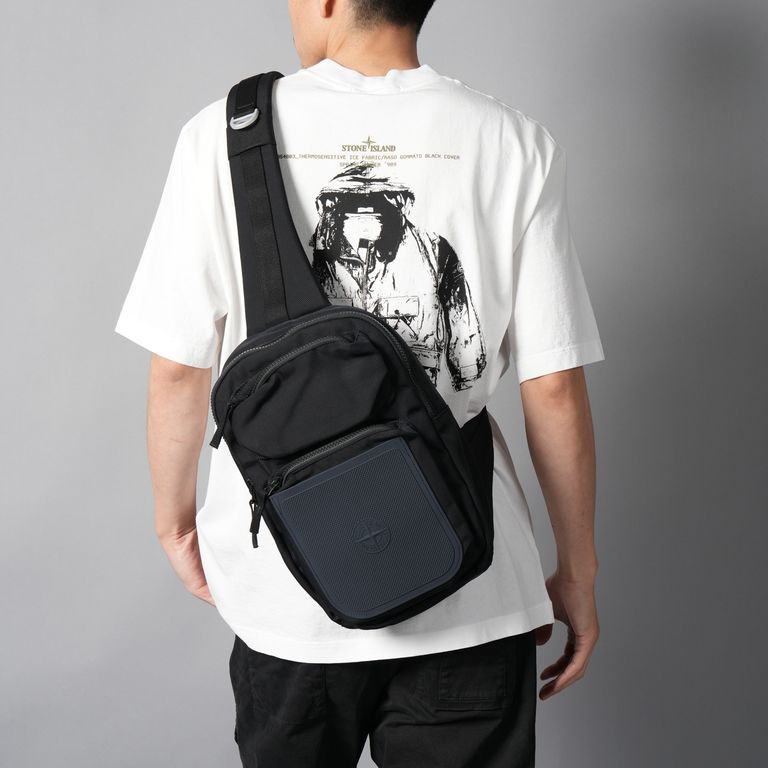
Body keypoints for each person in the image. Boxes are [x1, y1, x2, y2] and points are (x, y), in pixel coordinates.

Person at [114, 1, 605, 765]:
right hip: (468, 573)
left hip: (290, 584)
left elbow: (180, 367)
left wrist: (174, 523)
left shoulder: (221, 134)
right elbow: (553, 386)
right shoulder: (513, 141)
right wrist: (576, 569)